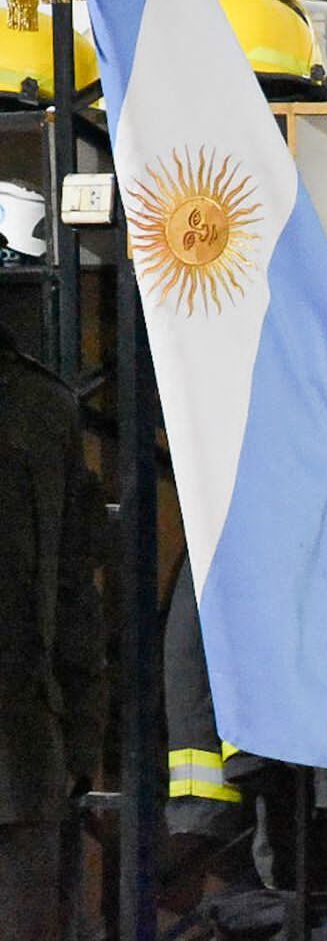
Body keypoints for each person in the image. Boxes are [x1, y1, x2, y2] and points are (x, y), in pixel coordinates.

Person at [0, 324, 106, 941]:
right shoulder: (40, 405)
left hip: (22, 761)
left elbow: (72, 594)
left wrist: (81, 736)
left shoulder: (40, 407)